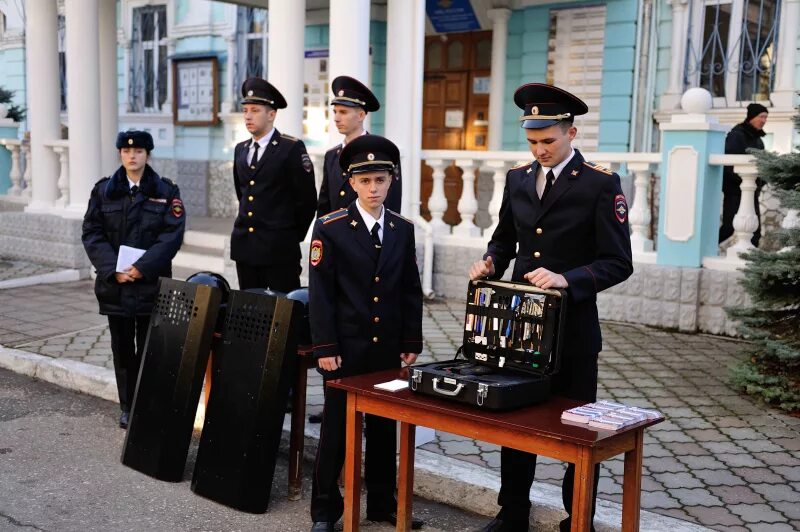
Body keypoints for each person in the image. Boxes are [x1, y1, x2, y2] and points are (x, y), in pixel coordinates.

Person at [469, 84, 633, 532]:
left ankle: (575, 518)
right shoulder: (518, 178)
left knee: (576, 430)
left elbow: (619, 263)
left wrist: (568, 279)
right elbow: (504, 238)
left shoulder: (601, 184)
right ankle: (513, 513)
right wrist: (490, 262)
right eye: (533, 141)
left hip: (574, 331)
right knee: (516, 421)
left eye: (549, 141)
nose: (540, 150)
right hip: (522, 325)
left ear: (571, 133)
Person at [308, 135, 423, 532]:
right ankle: (324, 511)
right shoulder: (331, 228)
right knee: (336, 431)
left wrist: (410, 342)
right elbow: (320, 294)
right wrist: (325, 346)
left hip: (386, 349)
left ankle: (380, 504)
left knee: (382, 428)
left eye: (381, 180)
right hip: (345, 349)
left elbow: (410, 288)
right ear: (351, 184)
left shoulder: (402, 229)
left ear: (391, 181)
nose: (374, 189)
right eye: (365, 181)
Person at [82, 130, 185, 429]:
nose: (132, 156)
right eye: (127, 152)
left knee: (153, 348)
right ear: (120, 154)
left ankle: (149, 404)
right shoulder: (104, 191)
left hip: (151, 284)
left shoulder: (166, 191)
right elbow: (92, 232)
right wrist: (111, 268)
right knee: (123, 350)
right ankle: (127, 406)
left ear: (147, 154)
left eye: (138, 151)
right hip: (116, 286)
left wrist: (143, 267)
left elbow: (172, 235)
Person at [230, 77, 317, 292]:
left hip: (279, 250)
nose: (248, 116)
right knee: (249, 312)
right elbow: (243, 194)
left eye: (255, 110)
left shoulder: (290, 148)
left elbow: (307, 201)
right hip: (246, 248)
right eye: (246, 110)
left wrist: (287, 236)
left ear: (271, 114)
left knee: (284, 313)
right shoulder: (241, 149)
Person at [316, 75, 402, 218]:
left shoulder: (381, 153)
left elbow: (392, 203)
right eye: (335, 112)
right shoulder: (331, 155)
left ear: (361, 115)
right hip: (336, 236)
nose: (336, 118)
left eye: (343, 112)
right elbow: (324, 205)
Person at [719, 103, 768, 247]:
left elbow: (763, 165)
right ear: (751, 117)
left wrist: (760, 182)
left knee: (755, 231)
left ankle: (749, 262)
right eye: (761, 116)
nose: (764, 120)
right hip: (735, 191)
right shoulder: (736, 135)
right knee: (728, 228)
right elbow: (729, 164)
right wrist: (742, 182)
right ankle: (704, 249)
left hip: (751, 190)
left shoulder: (759, 140)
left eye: (766, 117)